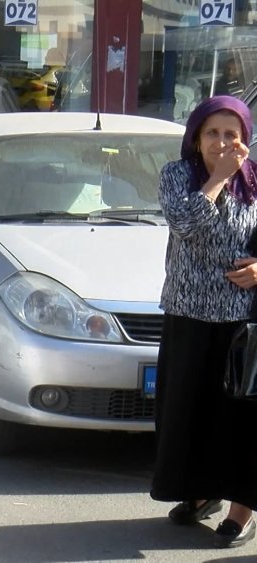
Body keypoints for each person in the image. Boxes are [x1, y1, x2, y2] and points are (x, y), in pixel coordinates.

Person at [154, 95, 257, 549]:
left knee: (238, 419)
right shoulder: (177, 176)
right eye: (212, 133)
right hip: (187, 314)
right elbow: (184, 224)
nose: (222, 142)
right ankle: (199, 494)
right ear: (195, 137)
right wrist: (217, 179)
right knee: (188, 414)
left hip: (241, 322)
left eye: (231, 135)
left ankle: (242, 509)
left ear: (245, 141)